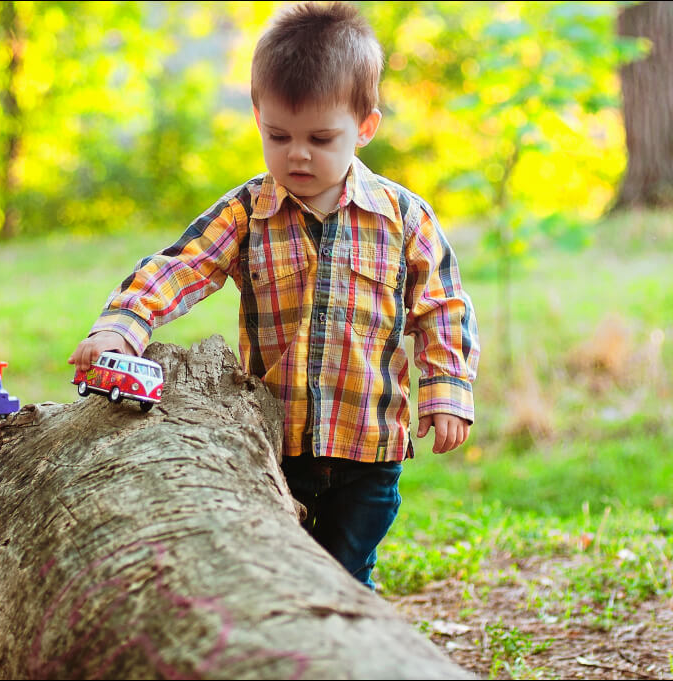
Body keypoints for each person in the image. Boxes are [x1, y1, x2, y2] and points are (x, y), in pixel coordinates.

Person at [69, 1, 479, 591]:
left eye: (321, 137)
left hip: (369, 448)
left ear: (365, 127)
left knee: (345, 576)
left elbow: (443, 308)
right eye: (279, 135)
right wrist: (122, 325)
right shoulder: (248, 212)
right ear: (258, 117)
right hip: (276, 447)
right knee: (279, 578)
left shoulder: (403, 218)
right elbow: (180, 267)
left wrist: (446, 392)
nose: (298, 154)